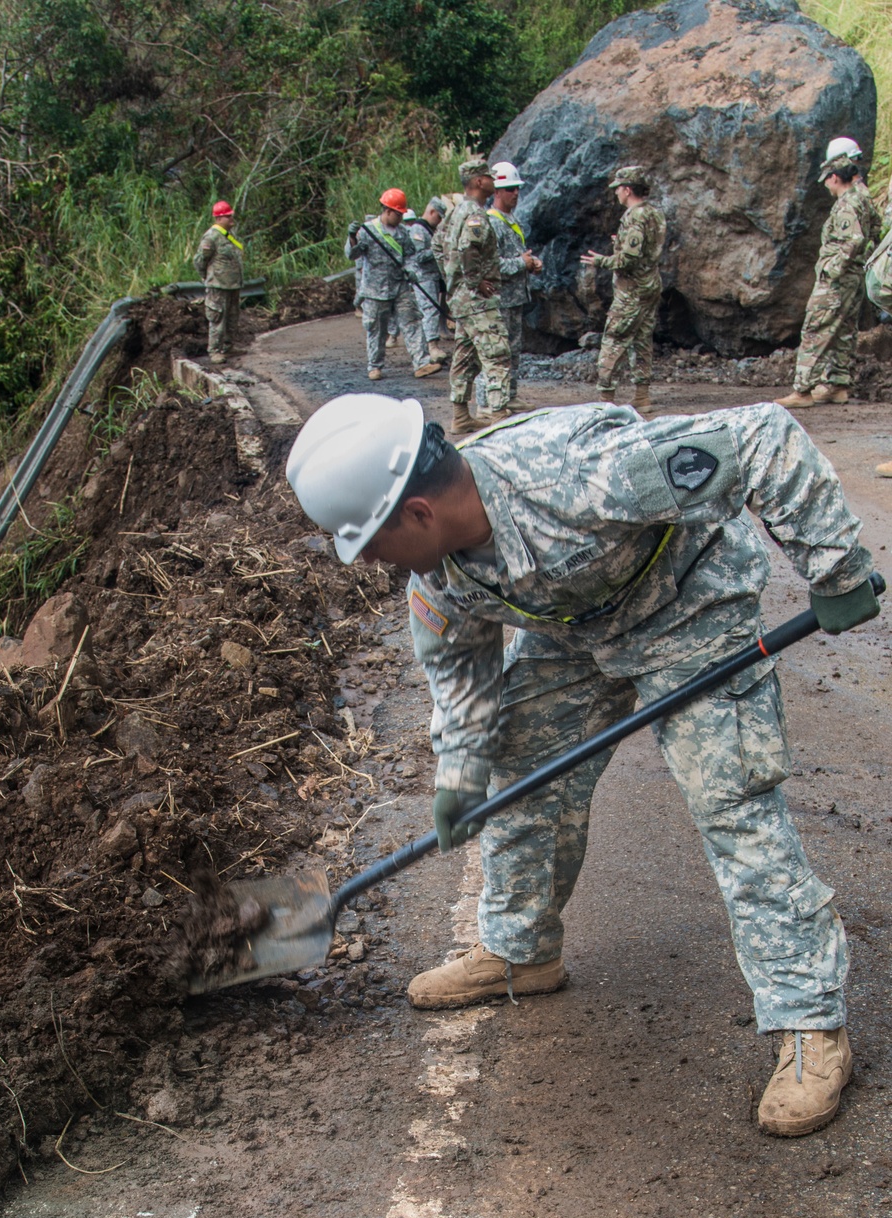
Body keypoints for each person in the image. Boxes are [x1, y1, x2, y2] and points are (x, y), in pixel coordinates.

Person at [287, 390, 882, 1138]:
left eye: (370, 541)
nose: (370, 561)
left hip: (685, 607)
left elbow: (762, 437)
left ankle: (809, 1020)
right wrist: (461, 769)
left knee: (732, 801)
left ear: (418, 513)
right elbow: (459, 668)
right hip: (576, 629)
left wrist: (837, 568)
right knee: (516, 759)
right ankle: (519, 949)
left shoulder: (583, 475)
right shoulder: (439, 572)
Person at [776, 154, 879, 409]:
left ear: (835, 178)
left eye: (827, 180)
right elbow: (875, 228)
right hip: (854, 277)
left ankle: (802, 390)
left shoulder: (847, 203)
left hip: (837, 281)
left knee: (815, 330)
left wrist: (833, 268)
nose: (825, 185)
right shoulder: (863, 196)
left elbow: (854, 239)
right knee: (844, 331)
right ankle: (837, 385)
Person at [432, 160, 512, 435]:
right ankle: (500, 417)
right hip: (476, 299)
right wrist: (475, 281)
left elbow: (436, 243)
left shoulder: (455, 212)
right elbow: (468, 247)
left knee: (466, 355)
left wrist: (452, 280)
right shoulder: (475, 214)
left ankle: (460, 415)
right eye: (489, 177)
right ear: (479, 181)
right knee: (497, 353)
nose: (493, 181)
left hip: (462, 299)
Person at [581, 166, 666, 413]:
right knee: (642, 339)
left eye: (618, 188)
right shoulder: (654, 213)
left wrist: (602, 260)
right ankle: (642, 395)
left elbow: (628, 259)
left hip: (632, 290)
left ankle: (605, 399)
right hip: (650, 285)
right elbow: (646, 249)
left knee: (614, 339)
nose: (616, 192)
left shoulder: (634, 216)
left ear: (627, 189)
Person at [345, 189, 441, 382]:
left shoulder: (403, 234)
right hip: (375, 290)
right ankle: (375, 366)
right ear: (388, 210)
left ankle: (421, 363)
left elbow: (411, 255)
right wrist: (352, 237)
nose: (400, 218)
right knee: (376, 329)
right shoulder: (367, 231)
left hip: (400, 287)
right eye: (398, 214)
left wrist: (411, 270)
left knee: (412, 321)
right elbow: (352, 254)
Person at [474, 161, 542, 414]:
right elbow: (486, 265)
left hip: (514, 298)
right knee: (494, 353)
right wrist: (520, 263)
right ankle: (485, 403)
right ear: (497, 192)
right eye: (510, 189)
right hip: (497, 299)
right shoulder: (491, 223)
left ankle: (508, 396)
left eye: (517, 189)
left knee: (513, 351)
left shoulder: (511, 220)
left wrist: (531, 264)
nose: (515, 193)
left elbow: (513, 257)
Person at [193, 200, 244, 363]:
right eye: (227, 216)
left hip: (232, 285)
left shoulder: (227, 235)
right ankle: (214, 350)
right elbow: (200, 260)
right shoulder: (211, 237)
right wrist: (206, 277)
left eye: (231, 216)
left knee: (232, 317)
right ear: (219, 219)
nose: (231, 219)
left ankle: (228, 347)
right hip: (218, 286)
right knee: (217, 318)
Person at [408, 197, 449, 363]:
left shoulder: (429, 230)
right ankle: (432, 346)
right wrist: (438, 250)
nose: (439, 221)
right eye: (438, 217)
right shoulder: (418, 230)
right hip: (423, 277)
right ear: (431, 212)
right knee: (429, 310)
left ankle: (431, 344)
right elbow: (418, 256)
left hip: (432, 277)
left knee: (433, 309)